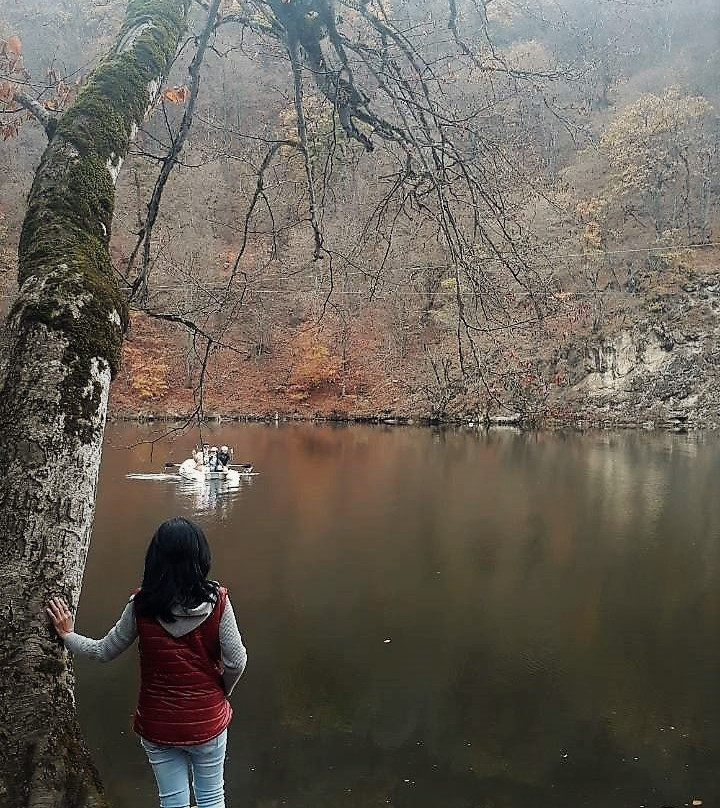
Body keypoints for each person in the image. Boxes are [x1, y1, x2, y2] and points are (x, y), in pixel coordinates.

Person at [47, 517, 247, 808]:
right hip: (208, 721)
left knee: (173, 802)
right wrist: (221, 691)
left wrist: (67, 635)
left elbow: (103, 651)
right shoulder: (218, 602)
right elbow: (236, 662)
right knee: (212, 797)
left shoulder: (142, 606)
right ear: (201, 557)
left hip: (158, 724)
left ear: (154, 559)